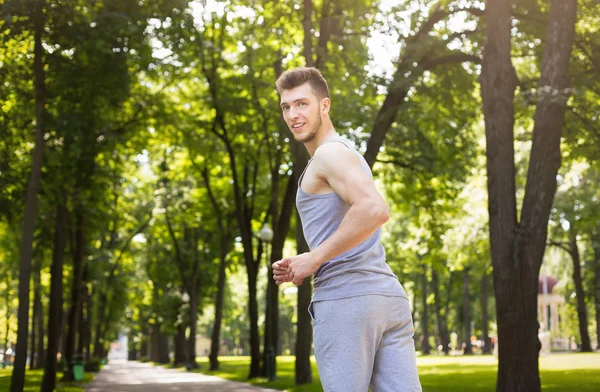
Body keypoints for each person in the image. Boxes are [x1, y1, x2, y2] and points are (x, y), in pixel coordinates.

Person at [272, 67, 422, 392]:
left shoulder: (328, 154)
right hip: (387, 298)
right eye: (286, 107)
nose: (293, 114)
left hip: (347, 301)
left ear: (324, 106)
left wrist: (314, 260)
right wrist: (306, 263)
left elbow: (373, 209)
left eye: (302, 104)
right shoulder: (346, 153)